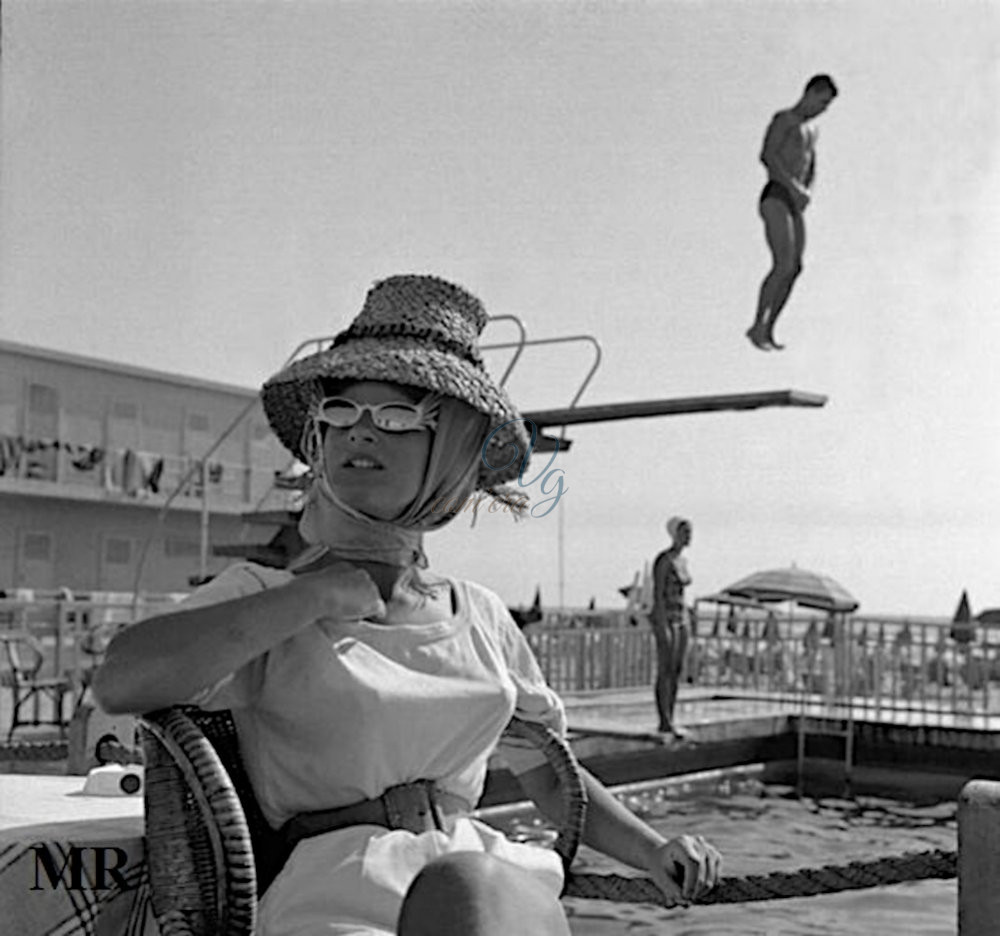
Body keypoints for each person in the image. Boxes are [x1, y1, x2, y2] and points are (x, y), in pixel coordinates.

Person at [93, 275, 720, 936]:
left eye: (394, 415)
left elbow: (549, 773)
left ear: (450, 446)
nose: (359, 433)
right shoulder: (268, 601)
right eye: (340, 413)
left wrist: (654, 849)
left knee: (467, 886)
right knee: (466, 892)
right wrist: (313, 595)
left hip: (484, 884)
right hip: (337, 892)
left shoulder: (479, 617)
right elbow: (122, 679)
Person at [746, 74, 838, 351]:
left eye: (827, 105)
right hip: (776, 195)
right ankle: (757, 324)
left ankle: (769, 327)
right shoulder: (784, 119)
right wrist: (793, 186)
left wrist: (807, 190)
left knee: (796, 267)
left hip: (796, 200)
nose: (823, 109)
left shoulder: (812, 130)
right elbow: (768, 156)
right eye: (821, 102)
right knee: (783, 263)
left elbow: (811, 164)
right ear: (810, 93)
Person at [650, 516, 693, 737]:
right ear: (674, 534)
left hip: (681, 616)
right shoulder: (664, 560)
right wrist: (661, 623)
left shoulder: (683, 561)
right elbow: (657, 595)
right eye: (684, 532)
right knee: (665, 668)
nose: (689, 536)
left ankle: (672, 716)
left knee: (677, 669)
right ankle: (663, 720)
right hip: (666, 616)